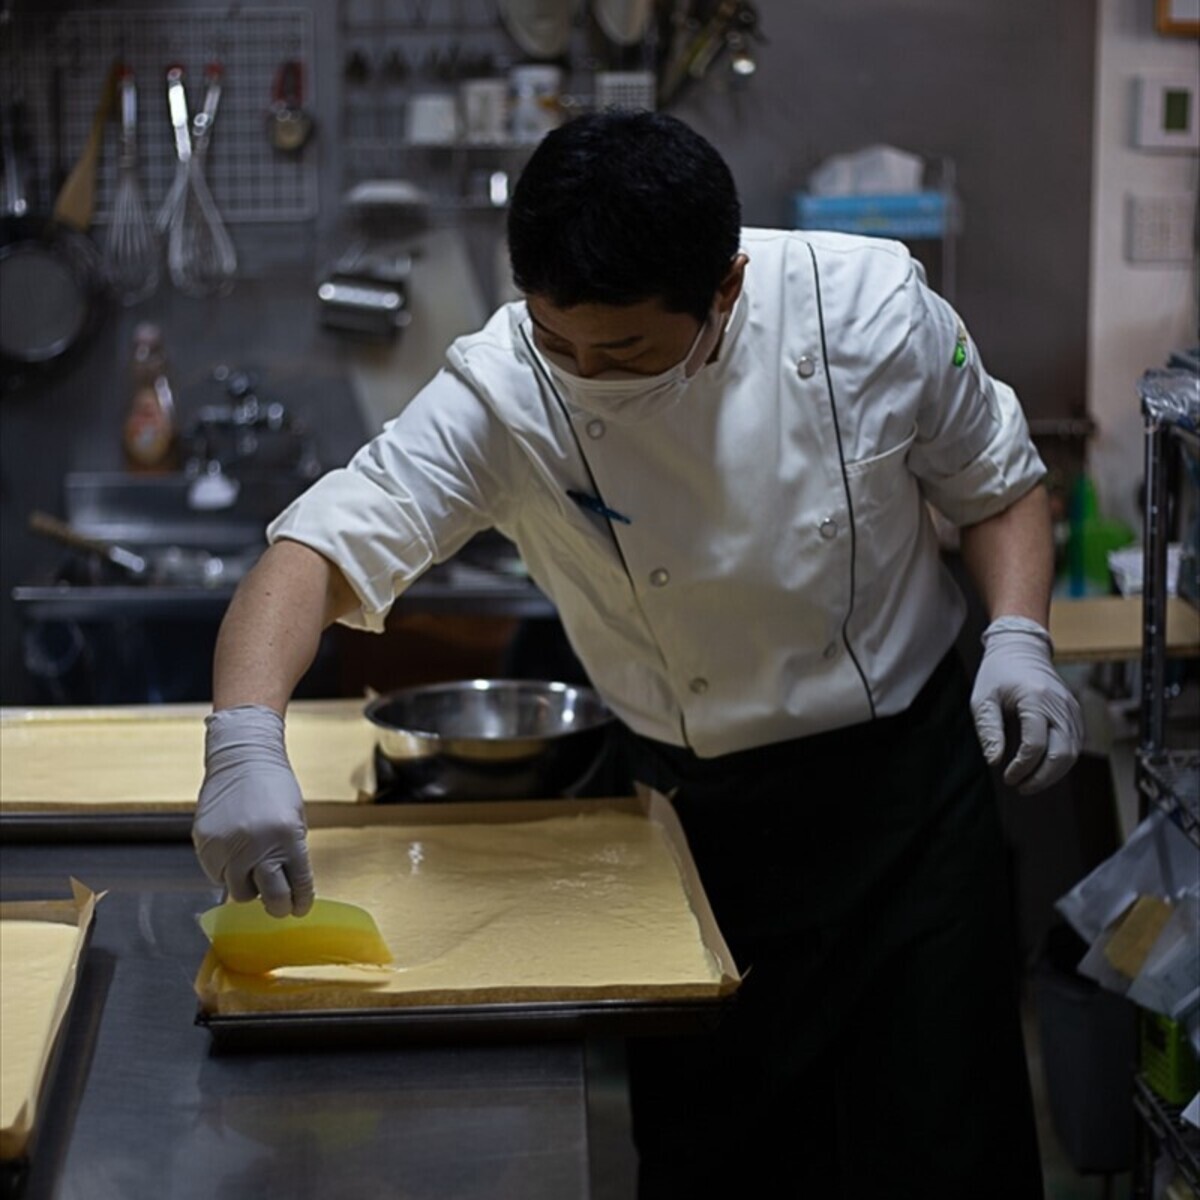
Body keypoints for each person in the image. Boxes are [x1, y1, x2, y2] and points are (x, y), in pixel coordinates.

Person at [194, 111, 1083, 1197]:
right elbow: (312, 552)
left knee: (947, 1143)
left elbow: (998, 487)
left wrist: (1019, 637)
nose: (582, 371)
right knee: (721, 1155)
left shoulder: (872, 312)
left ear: (726, 289)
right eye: (556, 337)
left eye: (619, 351)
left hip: (907, 798)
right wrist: (243, 737)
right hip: (691, 826)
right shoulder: (503, 388)